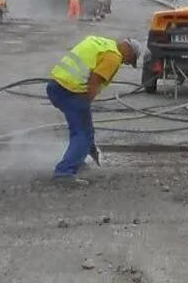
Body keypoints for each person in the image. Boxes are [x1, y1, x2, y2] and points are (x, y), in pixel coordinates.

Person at [45, 36, 143, 184]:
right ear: (128, 50)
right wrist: (87, 102)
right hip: (71, 91)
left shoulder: (102, 44)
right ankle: (64, 173)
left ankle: (77, 159)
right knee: (82, 133)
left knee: (83, 130)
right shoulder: (113, 57)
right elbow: (95, 81)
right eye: (130, 60)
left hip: (56, 86)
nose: (127, 63)